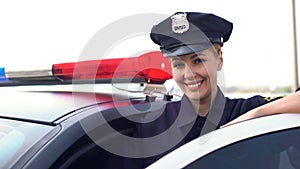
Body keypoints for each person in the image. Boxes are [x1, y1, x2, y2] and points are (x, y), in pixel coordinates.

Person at [121, 12, 300, 168]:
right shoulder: (150, 126)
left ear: (219, 59)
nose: (189, 74)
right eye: (178, 64)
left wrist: (256, 115)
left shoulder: (250, 112)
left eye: (198, 60)